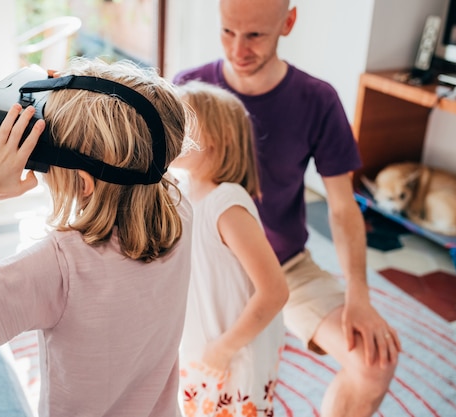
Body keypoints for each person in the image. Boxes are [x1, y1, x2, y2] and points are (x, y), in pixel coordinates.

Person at [0, 58, 194, 417]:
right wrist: (77, 90)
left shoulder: (59, 267)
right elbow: (141, 116)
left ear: (84, 182)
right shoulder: (178, 207)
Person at [172, 1, 402, 416]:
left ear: (288, 23)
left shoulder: (317, 99)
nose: (238, 49)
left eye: (255, 35)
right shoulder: (191, 89)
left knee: (373, 365)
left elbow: (342, 206)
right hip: (199, 264)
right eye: (228, 32)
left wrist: (359, 295)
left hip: (283, 267)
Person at [171, 80, 288, 417]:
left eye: (181, 122)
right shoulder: (182, 193)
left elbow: (275, 291)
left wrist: (224, 350)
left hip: (233, 350)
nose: (169, 131)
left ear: (216, 138)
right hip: (200, 341)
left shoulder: (226, 202)